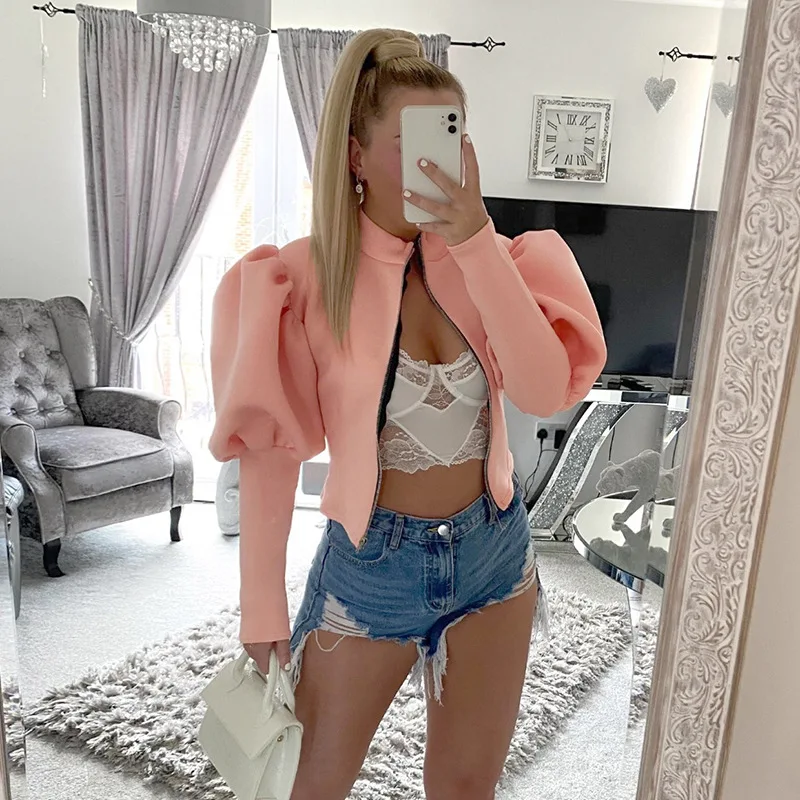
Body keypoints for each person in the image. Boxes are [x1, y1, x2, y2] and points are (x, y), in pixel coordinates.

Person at [209, 27, 606, 800]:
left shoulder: (498, 262)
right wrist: (261, 607)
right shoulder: (304, 277)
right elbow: (270, 450)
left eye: (449, 136)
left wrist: (476, 239)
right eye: (411, 142)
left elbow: (544, 389)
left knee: (464, 788)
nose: (436, 162)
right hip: (371, 569)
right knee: (306, 788)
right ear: (356, 156)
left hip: (494, 557)